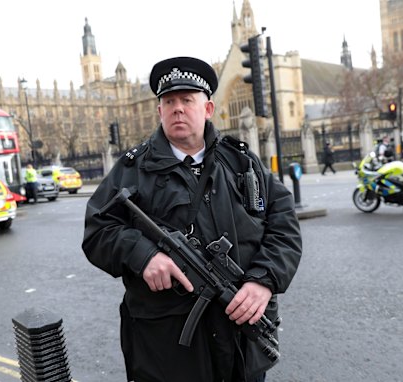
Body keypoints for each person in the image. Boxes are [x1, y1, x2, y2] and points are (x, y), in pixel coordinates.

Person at [82, 57, 302, 382]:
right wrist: (144, 256)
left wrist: (263, 280)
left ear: (208, 108)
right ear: (159, 111)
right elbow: (98, 231)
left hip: (241, 336)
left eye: (187, 100)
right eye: (169, 102)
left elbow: (283, 223)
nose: (178, 109)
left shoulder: (241, 161)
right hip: (169, 351)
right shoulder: (132, 169)